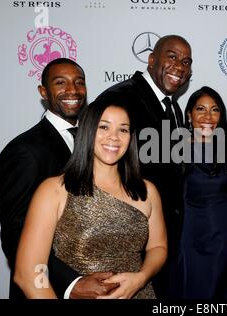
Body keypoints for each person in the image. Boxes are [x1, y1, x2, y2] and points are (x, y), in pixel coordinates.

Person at [14, 93, 167, 299]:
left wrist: (141, 277)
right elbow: (28, 273)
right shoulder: (54, 190)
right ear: (87, 130)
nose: (114, 137)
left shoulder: (146, 191)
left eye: (123, 129)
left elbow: (158, 246)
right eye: (104, 127)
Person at [0, 58, 117, 299]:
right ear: (43, 91)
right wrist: (72, 284)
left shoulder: (103, 142)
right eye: (60, 82)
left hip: (103, 280)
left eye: (79, 82)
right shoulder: (24, 151)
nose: (72, 90)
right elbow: (16, 236)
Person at [96, 34, 192, 298]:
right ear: (151, 59)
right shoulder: (122, 97)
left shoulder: (174, 108)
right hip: (128, 238)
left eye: (186, 62)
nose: (180, 67)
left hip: (162, 239)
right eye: (171, 57)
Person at [171, 86, 227, 299]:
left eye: (215, 110)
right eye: (201, 109)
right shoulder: (175, 149)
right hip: (191, 237)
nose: (208, 116)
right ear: (189, 114)